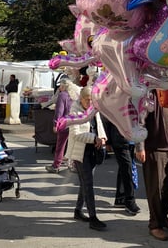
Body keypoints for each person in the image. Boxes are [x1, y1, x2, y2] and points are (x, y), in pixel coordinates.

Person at [135, 91, 168, 241]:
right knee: (155, 189)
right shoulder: (149, 96)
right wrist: (140, 147)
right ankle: (154, 225)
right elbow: (139, 122)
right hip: (154, 149)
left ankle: (162, 216)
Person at [66, 86, 108, 231]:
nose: (90, 103)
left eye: (92, 100)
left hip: (92, 151)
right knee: (88, 184)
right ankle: (93, 218)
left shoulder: (93, 109)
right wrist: (94, 138)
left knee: (85, 183)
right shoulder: (74, 111)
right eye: (87, 100)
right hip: (80, 153)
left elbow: (99, 125)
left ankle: (78, 211)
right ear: (81, 98)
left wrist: (102, 138)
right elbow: (76, 134)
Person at [104, 118, 140, 216]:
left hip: (131, 140)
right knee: (127, 169)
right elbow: (108, 120)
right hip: (120, 140)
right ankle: (130, 201)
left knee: (124, 168)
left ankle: (120, 198)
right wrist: (108, 141)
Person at [45, 78, 76, 174]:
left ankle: (56, 165)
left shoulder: (62, 95)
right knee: (73, 145)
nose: (59, 87)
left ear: (63, 86)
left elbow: (59, 111)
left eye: (60, 86)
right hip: (74, 122)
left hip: (64, 123)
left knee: (60, 145)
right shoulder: (74, 95)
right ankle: (74, 165)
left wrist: (55, 124)